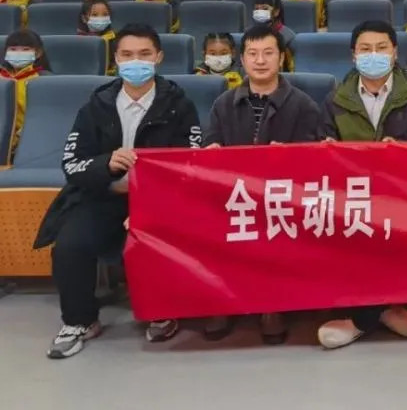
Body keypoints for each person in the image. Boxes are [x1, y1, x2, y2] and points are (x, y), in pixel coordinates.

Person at [35, 24, 203, 358]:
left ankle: (162, 311)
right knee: (70, 245)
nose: (135, 62)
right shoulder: (95, 106)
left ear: (158, 57)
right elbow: (72, 163)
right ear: (116, 60)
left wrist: (149, 197)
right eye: (127, 55)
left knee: (161, 239)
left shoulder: (179, 105)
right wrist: (106, 164)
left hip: (158, 200)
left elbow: (190, 163)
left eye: (144, 54)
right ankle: (79, 321)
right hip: (104, 195)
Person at [317, 21, 407, 350]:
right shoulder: (335, 99)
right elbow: (322, 144)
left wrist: (403, 152)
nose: (374, 54)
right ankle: (381, 309)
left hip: (403, 192)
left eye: (381, 48)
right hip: (353, 195)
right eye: (365, 49)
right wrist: (328, 150)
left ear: (395, 53)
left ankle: (364, 319)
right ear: (353, 55)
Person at [202, 25, 321, 343]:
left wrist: (291, 157)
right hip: (235, 194)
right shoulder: (223, 104)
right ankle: (223, 301)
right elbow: (210, 143)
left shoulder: (304, 105)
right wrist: (212, 152)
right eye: (252, 54)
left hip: (283, 195)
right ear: (242, 60)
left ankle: (272, 305)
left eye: (268, 53)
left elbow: (315, 159)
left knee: (275, 223)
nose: (260, 60)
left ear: (281, 58)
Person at [1, 29, 50, 152]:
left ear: (38, 53)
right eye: (13, 49)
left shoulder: (44, 80)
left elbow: (42, 116)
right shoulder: (1, 76)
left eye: (25, 49)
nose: (18, 53)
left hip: (28, 140)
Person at [252, 0, 296, 70]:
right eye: (256, 9)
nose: (259, 12)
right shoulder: (249, 33)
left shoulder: (289, 36)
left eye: (265, 9)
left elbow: (291, 67)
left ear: (276, 11)